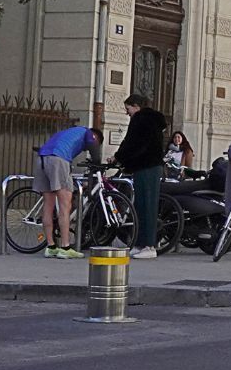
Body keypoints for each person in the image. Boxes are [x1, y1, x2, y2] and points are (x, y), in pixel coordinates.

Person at [111, 92, 166, 260]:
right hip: (150, 166)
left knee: (146, 206)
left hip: (146, 166)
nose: (127, 113)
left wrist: (118, 157)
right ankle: (141, 244)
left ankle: (149, 245)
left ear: (136, 106)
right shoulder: (153, 120)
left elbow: (131, 142)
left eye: (128, 109)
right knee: (143, 206)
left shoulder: (141, 118)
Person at [36, 121, 103, 258]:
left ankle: (50, 246)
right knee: (65, 205)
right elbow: (95, 153)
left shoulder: (70, 132)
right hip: (58, 159)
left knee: (48, 205)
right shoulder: (88, 133)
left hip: (42, 158)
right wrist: (98, 164)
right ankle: (65, 247)